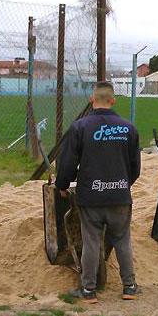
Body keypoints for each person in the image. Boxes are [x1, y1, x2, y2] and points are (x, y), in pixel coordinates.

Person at [55, 81, 142, 303]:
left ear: (92, 100)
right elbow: (135, 168)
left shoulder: (80, 127)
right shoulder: (129, 129)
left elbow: (66, 163)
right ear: (113, 101)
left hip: (90, 197)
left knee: (91, 241)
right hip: (120, 196)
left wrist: (62, 185)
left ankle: (88, 291)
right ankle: (129, 287)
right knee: (122, 240)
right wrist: (122, 184)